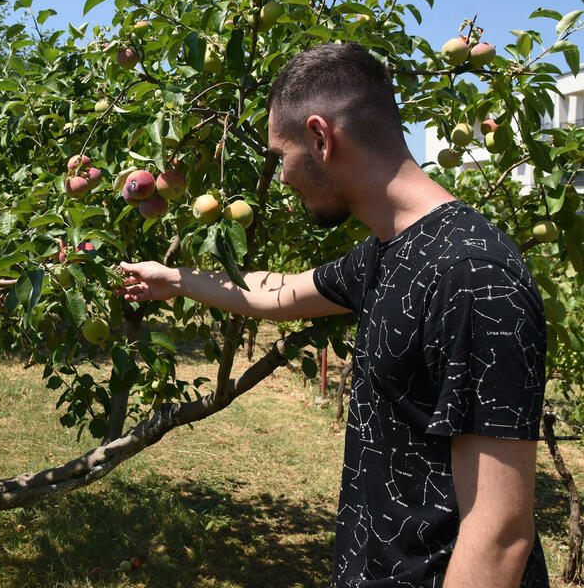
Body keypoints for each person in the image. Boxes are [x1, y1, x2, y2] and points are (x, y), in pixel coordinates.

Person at [117, 42, 548, 587]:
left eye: (281, 157)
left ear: (320, 137)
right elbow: (278, 293)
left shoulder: (474, 274)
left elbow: (501, 530)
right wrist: (176, 279)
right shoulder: (390, 249)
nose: (279, 180)